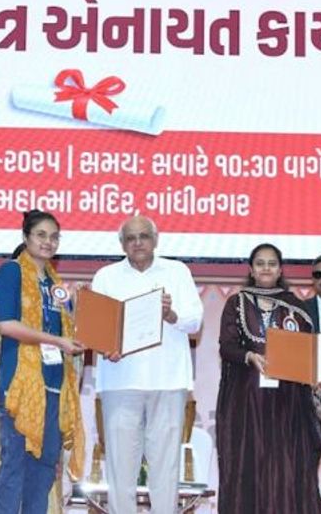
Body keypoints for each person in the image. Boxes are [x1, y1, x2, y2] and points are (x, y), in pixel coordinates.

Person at [91, 216, 204, 514]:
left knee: (166, 469)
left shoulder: (177, 271)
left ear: (155, 240)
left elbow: (195, 322)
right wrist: (105, 345)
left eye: (143, 236)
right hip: (120, 381)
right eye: (131, 238)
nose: (138, 242)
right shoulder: (106, 276)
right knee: (120, 469)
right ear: (122, 244)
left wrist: (171, 315)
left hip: (167, 380)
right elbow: (96, 328)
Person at [216, 243, 321, 513]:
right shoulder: (237, 302)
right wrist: (250, 356)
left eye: (272, 263)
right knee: (250, 463)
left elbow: (308, 350)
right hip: (248, 404)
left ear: (280, 270)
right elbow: (227, 347)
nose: (266, 268)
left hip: (288, 404)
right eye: (260, 263)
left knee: (285, 464)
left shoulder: (296, 306)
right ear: (251, 270)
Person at [0, 210, 85, 513]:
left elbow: (68, 331)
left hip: (55, 386)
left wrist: (80, 319)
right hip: (21, 385)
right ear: (26, 237)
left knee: (44, 470)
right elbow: (6, 325)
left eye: (54, 237)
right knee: (14, 467)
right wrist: (57, 342)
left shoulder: (56, 283)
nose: (48, 242)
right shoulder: (11, 271)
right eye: (41, 235)